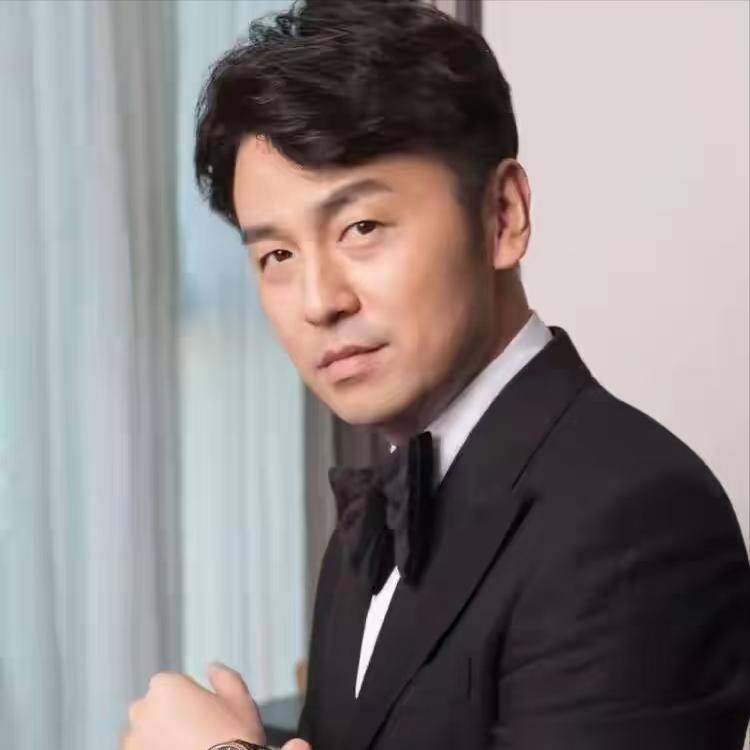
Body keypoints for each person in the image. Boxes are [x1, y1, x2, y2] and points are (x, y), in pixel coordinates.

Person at [123, 0, 750, 748]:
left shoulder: (634, 515)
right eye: (277, 255)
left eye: (360, 227)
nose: (319, 302)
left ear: (503, 215)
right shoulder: (367, 534)